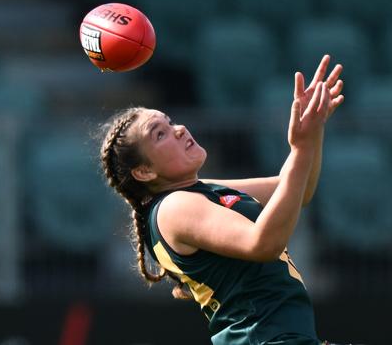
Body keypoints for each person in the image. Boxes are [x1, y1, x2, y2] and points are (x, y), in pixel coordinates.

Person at [99, 55, 345, 345]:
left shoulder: (201, 191)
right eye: (160, 134)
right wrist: (301, 149)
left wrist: (312, 131)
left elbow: (297, 189)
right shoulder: (175, 207)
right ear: (144, 171)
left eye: (170, 122)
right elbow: (262, 243)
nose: (178, 129)